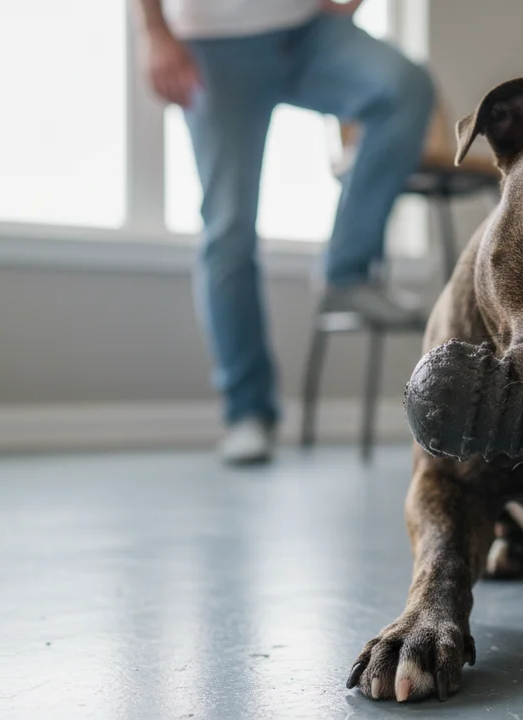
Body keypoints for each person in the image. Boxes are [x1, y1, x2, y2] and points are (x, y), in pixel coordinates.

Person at [136, 0, 434, 464]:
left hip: (307, 29)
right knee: (229, 228)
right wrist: (155, 31)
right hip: (213, 42)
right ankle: (247, 413)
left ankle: (347, 273)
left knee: (403, 88)